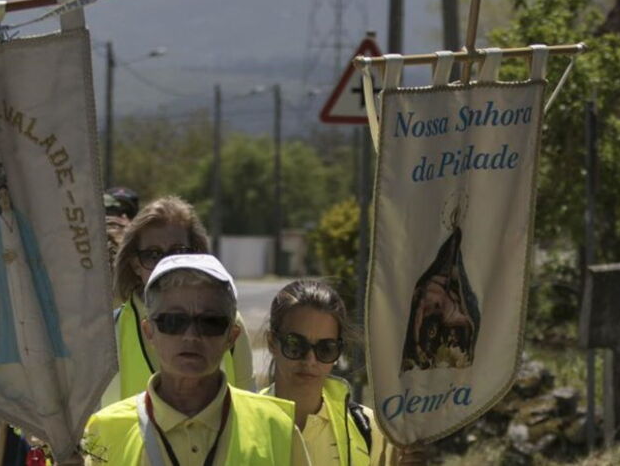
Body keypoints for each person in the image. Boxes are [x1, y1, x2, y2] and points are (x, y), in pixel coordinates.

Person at [83, 254, 310, 465]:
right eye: (173, 321)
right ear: (148, 331)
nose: (191, 336)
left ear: (232, 337)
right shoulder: (103, 432)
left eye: (210, 322)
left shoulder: (277, 429)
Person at [102, 196, 254, 405]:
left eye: (179, 252)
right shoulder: (108, 332)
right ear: (135, 264)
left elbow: (249, 404)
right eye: (153, 254)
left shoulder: (229, 322)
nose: (166, 263)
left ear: (198, 255)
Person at [263, 280, 426, 466]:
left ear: (338, 351)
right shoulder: (242, 422)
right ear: (271, 342)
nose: (310, 360)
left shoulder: (372, 431)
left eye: (326, 349)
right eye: (295, 345)